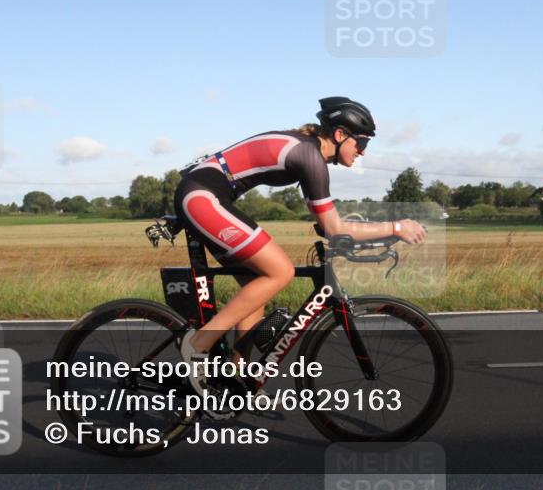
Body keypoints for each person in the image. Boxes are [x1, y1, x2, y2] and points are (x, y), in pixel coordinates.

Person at [175, 97, 427, 390]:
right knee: (280, 272)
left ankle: (234, 377)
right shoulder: (308, 156)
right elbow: (334, 228)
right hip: (202, 195)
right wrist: (396, 227)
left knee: (258, 283)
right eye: (362, 143)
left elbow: (327, 225)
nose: (362, 152)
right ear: (340, 134)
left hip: (207, 194)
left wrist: (381, 235)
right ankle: (197, 345)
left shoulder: (310, 153)